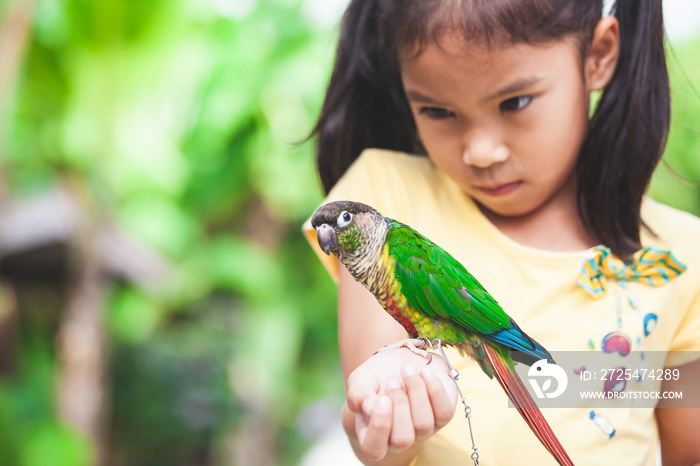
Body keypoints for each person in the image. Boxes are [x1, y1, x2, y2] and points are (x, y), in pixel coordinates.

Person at [302, 0, 700, 464]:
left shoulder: (683, 254)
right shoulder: (381, 199)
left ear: (599, 56)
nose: (481, 151)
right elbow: (372, 427)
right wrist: (394, 408)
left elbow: (686, 451)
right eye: (436, 110)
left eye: (515, 102)